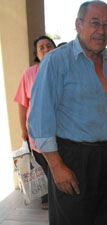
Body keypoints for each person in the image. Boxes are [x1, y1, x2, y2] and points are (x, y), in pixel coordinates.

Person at [28, 1, 107, 225]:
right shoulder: (56, 61)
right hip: (73, 159)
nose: (101, 30)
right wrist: (56, 167)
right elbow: (40, 120)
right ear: (78, 24)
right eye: (94, 23)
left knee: (103, 217)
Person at [14, 35, 56, 210]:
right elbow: (23, 104)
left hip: (61, 130)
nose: (46, 49)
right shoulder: (29, 74)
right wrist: (23, 129)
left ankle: (58, 197)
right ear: (36, 53)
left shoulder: (63, 69)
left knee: (58, 165)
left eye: (49, 45)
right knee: (43, 165)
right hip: (36, 132)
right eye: (41, 47)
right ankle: (46, 197)